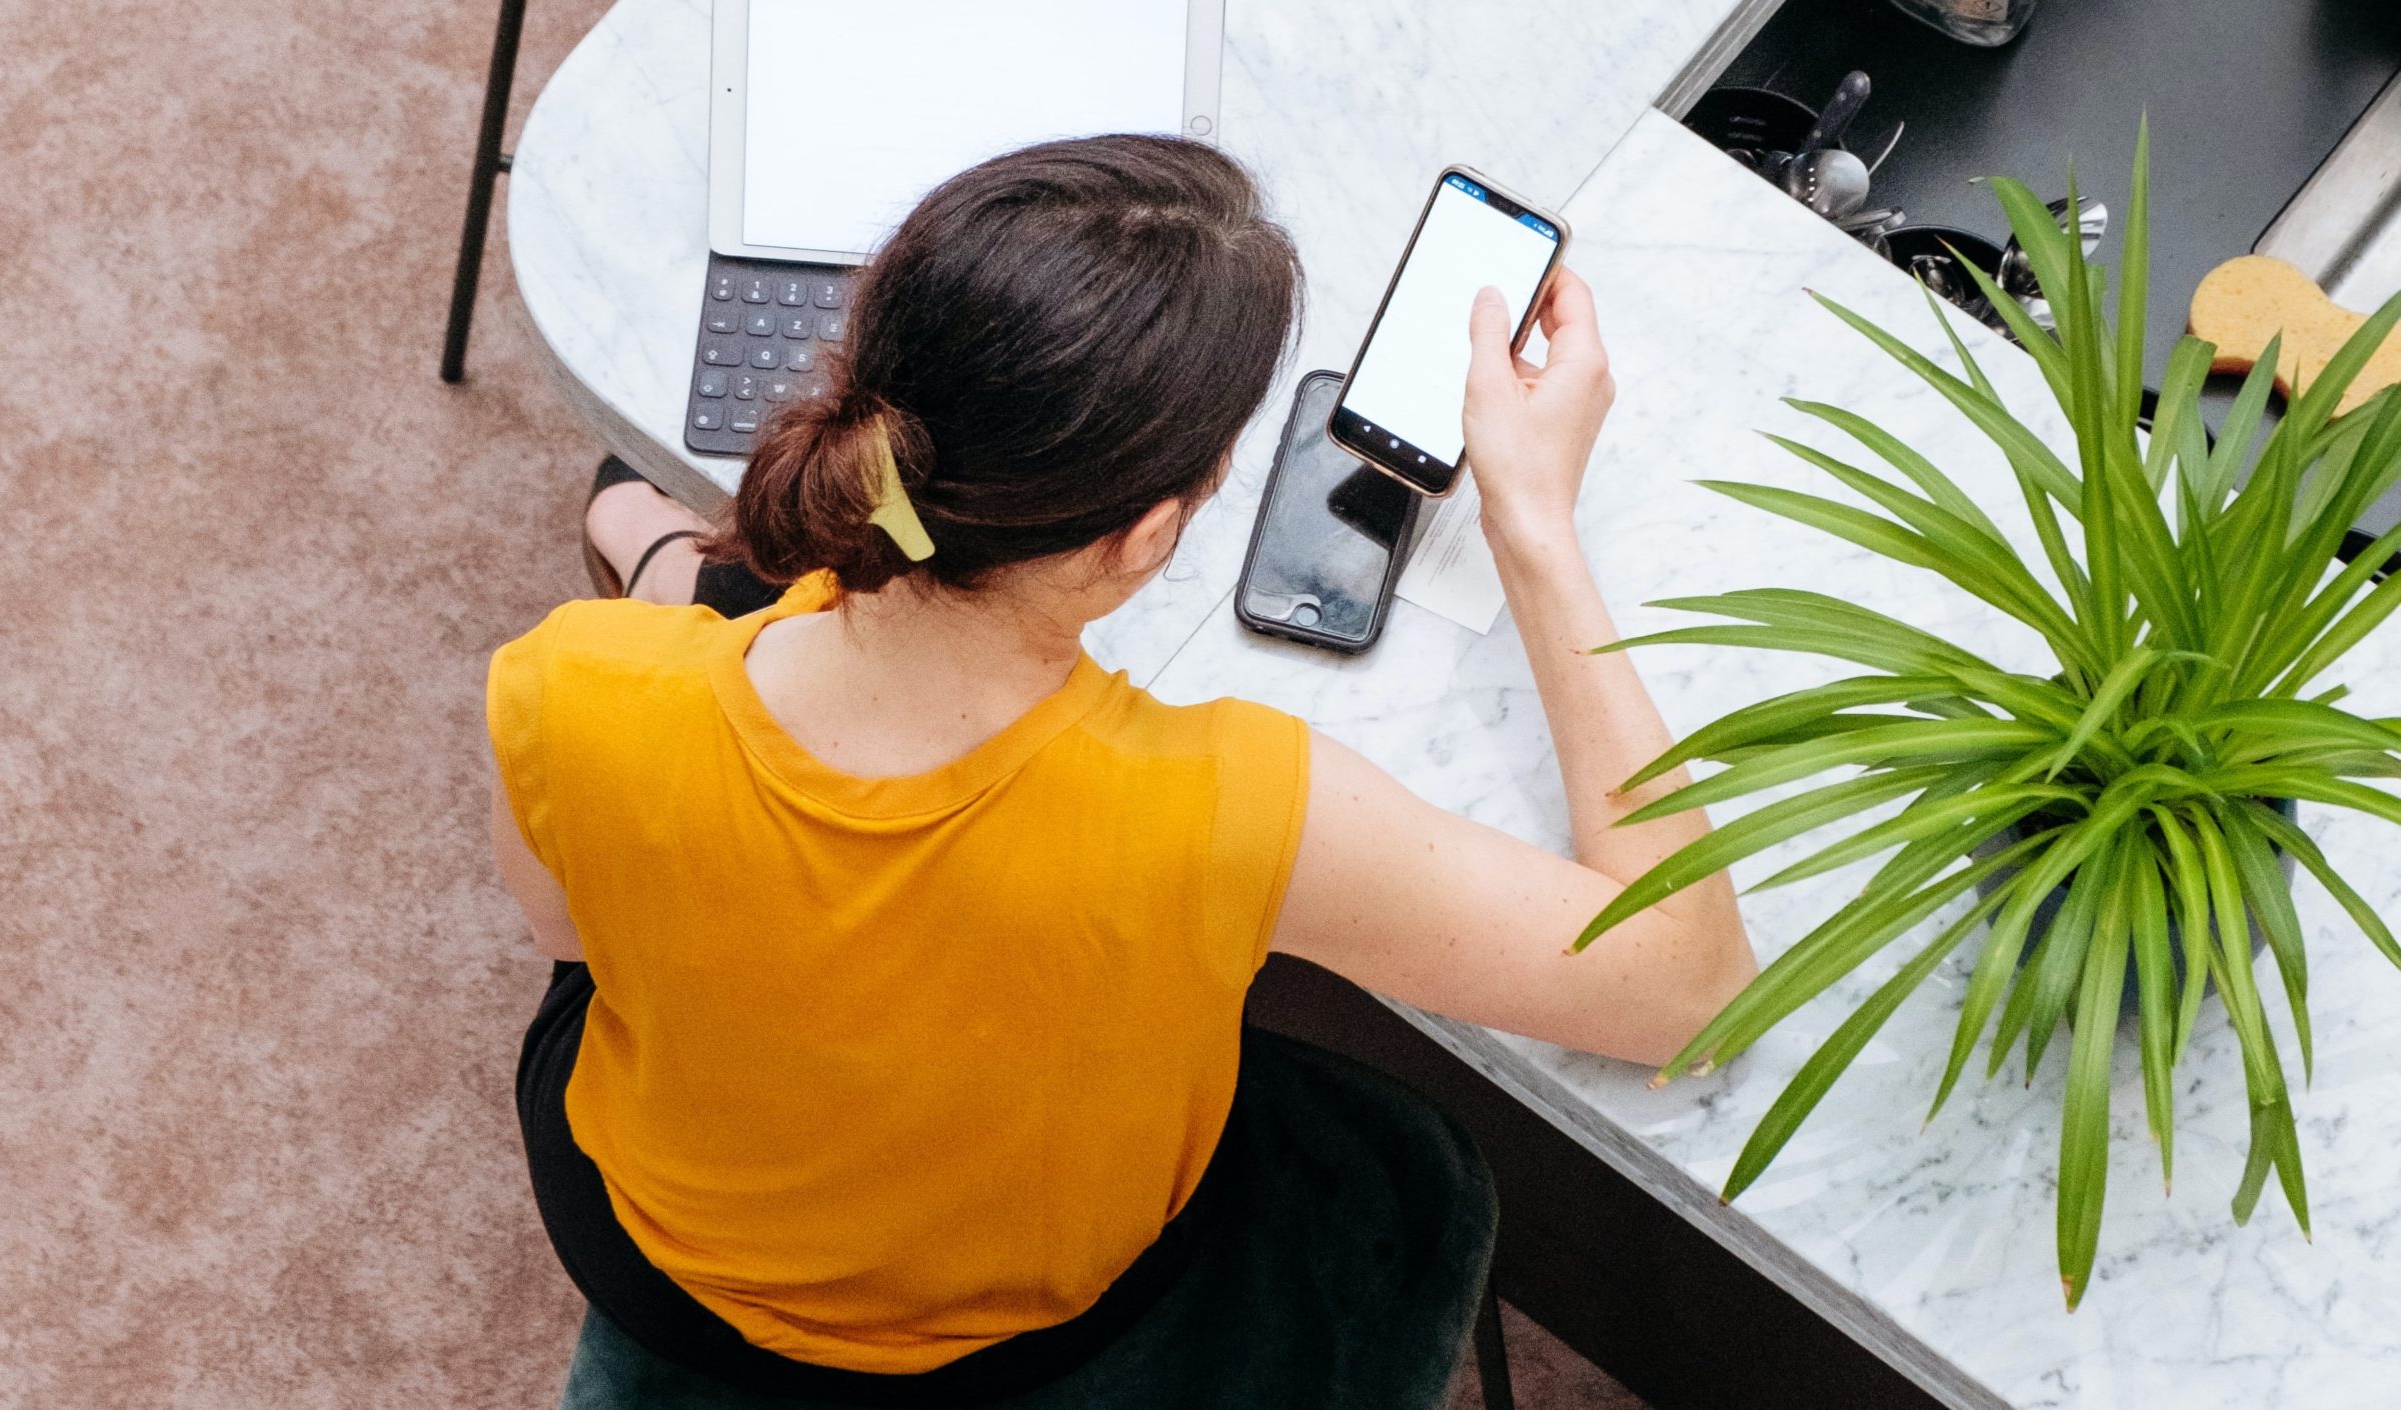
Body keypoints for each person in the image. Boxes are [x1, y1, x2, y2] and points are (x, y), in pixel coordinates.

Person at [488, 135, 1753, 1409]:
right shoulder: (1226, 806)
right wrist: (1533, 522)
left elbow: (570, 939)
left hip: (650, 1251)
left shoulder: (566, 684)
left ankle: (654, 551)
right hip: (1038, 1332)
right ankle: (668, 552)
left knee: (718, 610)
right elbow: (1687, 994)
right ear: (1149, 532)